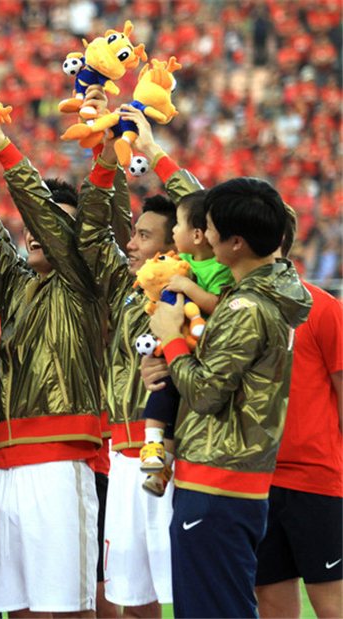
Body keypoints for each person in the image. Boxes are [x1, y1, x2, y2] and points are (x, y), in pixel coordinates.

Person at [0, 87, 101, 617]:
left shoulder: (84, 281)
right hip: (4, 460)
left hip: (59, 458)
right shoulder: (16, 286)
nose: (36, 233)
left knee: (69, 605)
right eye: (32, 226)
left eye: (50, 225)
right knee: (17, 606)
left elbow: (39, 210)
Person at [143, 177, 312, 618]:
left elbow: (204, 393)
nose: (206, 233)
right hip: (232, 480)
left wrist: (171, 340)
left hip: (216, 480)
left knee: (211, 609)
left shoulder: (244, 309)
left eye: (213, 227)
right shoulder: (259, 298)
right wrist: (167, 365)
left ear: (236, 243)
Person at [73, 98, 196, 618]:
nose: (131, 244)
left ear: (177, 245)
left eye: (144, 236)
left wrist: (152, 151)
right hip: (124, 460)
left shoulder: (194, 289)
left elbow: (203, 209)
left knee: (189, 593)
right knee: (131, 598)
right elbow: (92, 230)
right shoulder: (124, 291)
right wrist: (107, 151)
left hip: (176, 457)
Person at [254, 206, 343, 619]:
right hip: (255, 480)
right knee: (271, 603)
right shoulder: (233, 310)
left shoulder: (323, 308)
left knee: (332, 605)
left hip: (316, 480)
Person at [137, 189, 235, 496]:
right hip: (175, 344)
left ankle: (162, 466)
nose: (174, 232)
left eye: (177, 225)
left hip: (196, 351)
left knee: (176, 402)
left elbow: (218, 304)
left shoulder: (220, 267)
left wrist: (187, 287)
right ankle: (153, 451)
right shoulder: (183, 259)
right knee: (162, 392)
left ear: (196, 235)